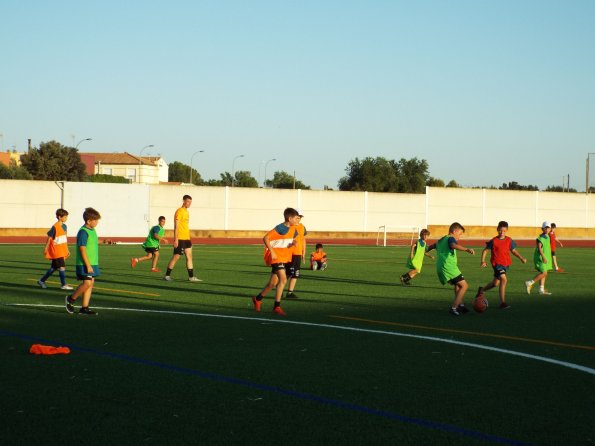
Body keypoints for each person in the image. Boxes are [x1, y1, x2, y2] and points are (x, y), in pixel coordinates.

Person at [252, 207, 300, 316]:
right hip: (276, 258)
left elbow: (291, 239)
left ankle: (257, 299)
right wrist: (272, 252)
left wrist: (293, 243)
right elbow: (265, 238)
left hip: (284, 257)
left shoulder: (294, 229)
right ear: (289, 218)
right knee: (283, 280)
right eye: (296, 218)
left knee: (272, 284)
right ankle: (276, 307)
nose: (298, 220)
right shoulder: (280, 228)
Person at [476, 221, 527, 309]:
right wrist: (483, 261)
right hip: (497, 264)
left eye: (504, 231)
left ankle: (482, 290)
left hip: (505, 264)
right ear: (497, 229)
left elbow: (513, 251)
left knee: (495, 283)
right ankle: (502, 303)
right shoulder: (494, 241)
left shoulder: (509, 240)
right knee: (504, 279)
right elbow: (485, 250)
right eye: (500, 230)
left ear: (506, 230)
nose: (502, 232)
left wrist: (521, 258)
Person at [427, 222, 475, 316]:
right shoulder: (450, 238)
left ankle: (460, 305)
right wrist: (467, 249)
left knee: (458, 285)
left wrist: (424, 250)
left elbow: (431, 247)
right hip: (449, 267)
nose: (459, 237)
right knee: (464, 286)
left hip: (441, 267)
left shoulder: (441, 239)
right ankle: (454, 308)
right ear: (454, 231)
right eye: (460, 234)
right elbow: (453, 245)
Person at [65, 207, 101, 315]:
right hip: (85, 263)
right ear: (89, 221)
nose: (97, 222)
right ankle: (71, 299)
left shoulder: (92, 230)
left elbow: (93, 241)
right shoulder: (83, 232)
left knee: (90, 284)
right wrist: (88, 265)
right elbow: (82, 249)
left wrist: (104, 241)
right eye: (96, 220)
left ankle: (84, 308)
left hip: (93, 262)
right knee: (87, 283)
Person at [164, 195, 200, 282]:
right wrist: (175, 239)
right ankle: (167, 275)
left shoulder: (187, 212)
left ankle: (191, 277)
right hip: (180, 238)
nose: (189, 204)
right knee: (176, 257)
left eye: (190, 202)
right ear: (183, 201)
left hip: (187, 238)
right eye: (188, 202)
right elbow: (176, 226)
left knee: (189, 257)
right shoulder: (179, 211)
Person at [38, 208, 73, 290]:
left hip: (62, 250)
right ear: (59, 217)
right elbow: (50, 237)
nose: (66, 218)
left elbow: (64, 239)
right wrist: (46, 247)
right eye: (65, 217)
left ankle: (41, 281)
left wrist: (67, 249)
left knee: (54, 268)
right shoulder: (55, 226)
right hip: (56, 251)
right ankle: (63, 284)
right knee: (62, 267)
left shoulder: (64, 226)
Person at [525, 221, 553, 295]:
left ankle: (541, 290)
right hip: (540, 257)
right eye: (545, 228)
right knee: (544, 273)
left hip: (546, 257)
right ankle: (530, 282)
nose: (547, 229)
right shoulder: (540, 238)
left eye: (548, 228)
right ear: (542, 229)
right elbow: (539, 248)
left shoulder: (548, 237)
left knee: (544, 272)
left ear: (550, 229)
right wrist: (543, 257)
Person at [285, 209, 307, 299]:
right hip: (290, 253)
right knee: (287, 273)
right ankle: (280, 289)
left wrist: (303, 252)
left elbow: (303, 240)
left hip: (298, 253)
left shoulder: (302, 227)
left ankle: (290, 292)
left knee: (295, 274)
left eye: (300, 217)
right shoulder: (290, 226)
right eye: (297, 217)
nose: (299, 219)